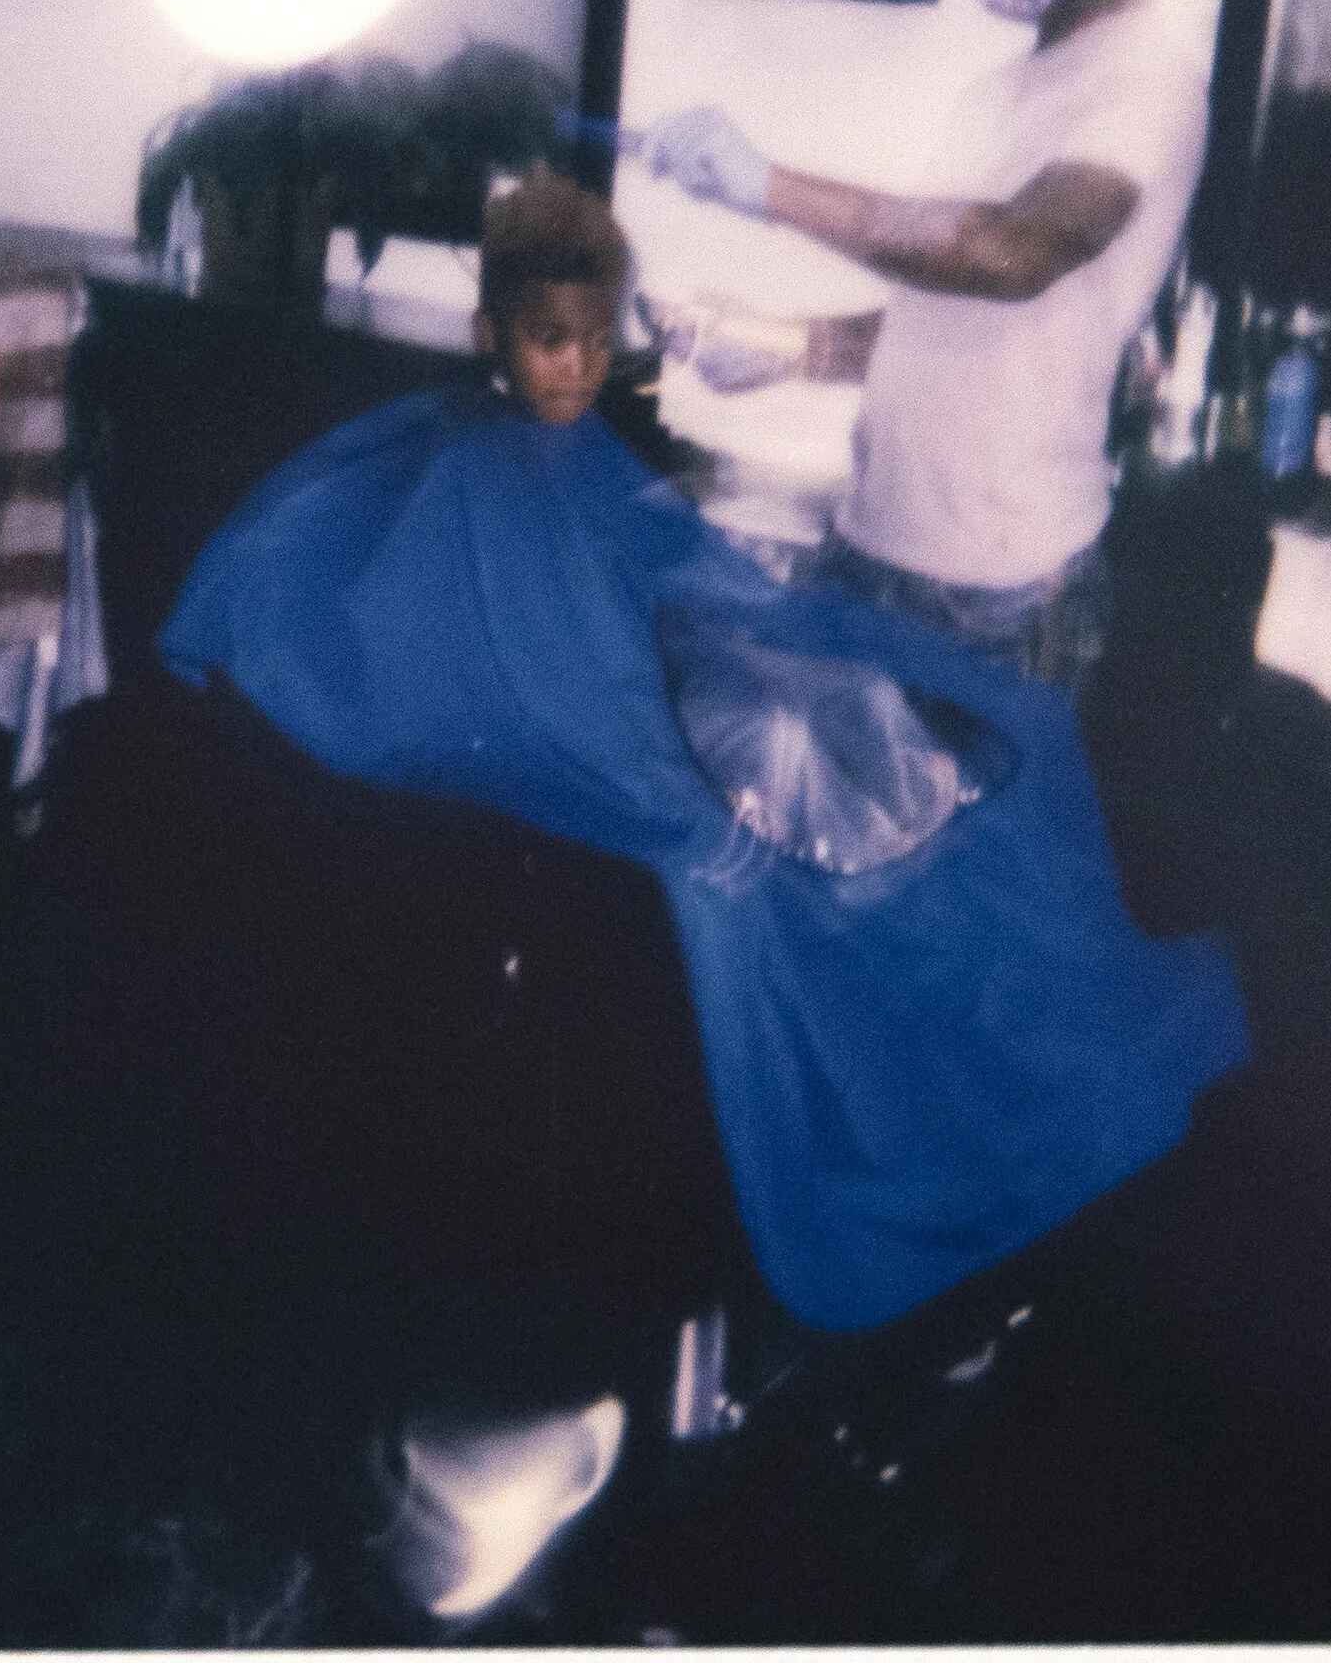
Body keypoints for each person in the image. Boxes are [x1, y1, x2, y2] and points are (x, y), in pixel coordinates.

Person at [158, 164, 1245, 1343]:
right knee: (820, 878)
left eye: (592, 341)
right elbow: (536, 687)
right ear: (489, 335)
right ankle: (932, 1128)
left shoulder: (573, 455)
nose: (574, 367)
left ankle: (995, 1073)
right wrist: (685, 809)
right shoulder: (474, 474)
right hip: (597, 771)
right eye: (546, 340)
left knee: (957, 740)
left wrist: (794, 647)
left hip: (645, 703)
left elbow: (671, 585)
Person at [648, 0, 1209, 696]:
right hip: (876, 537)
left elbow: (1010, 256)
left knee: (964, 839)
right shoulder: (996, 93)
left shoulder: (1146, 83)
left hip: (1004, 581)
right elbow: (942, 305)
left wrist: (768, 188)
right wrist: (793, 345)